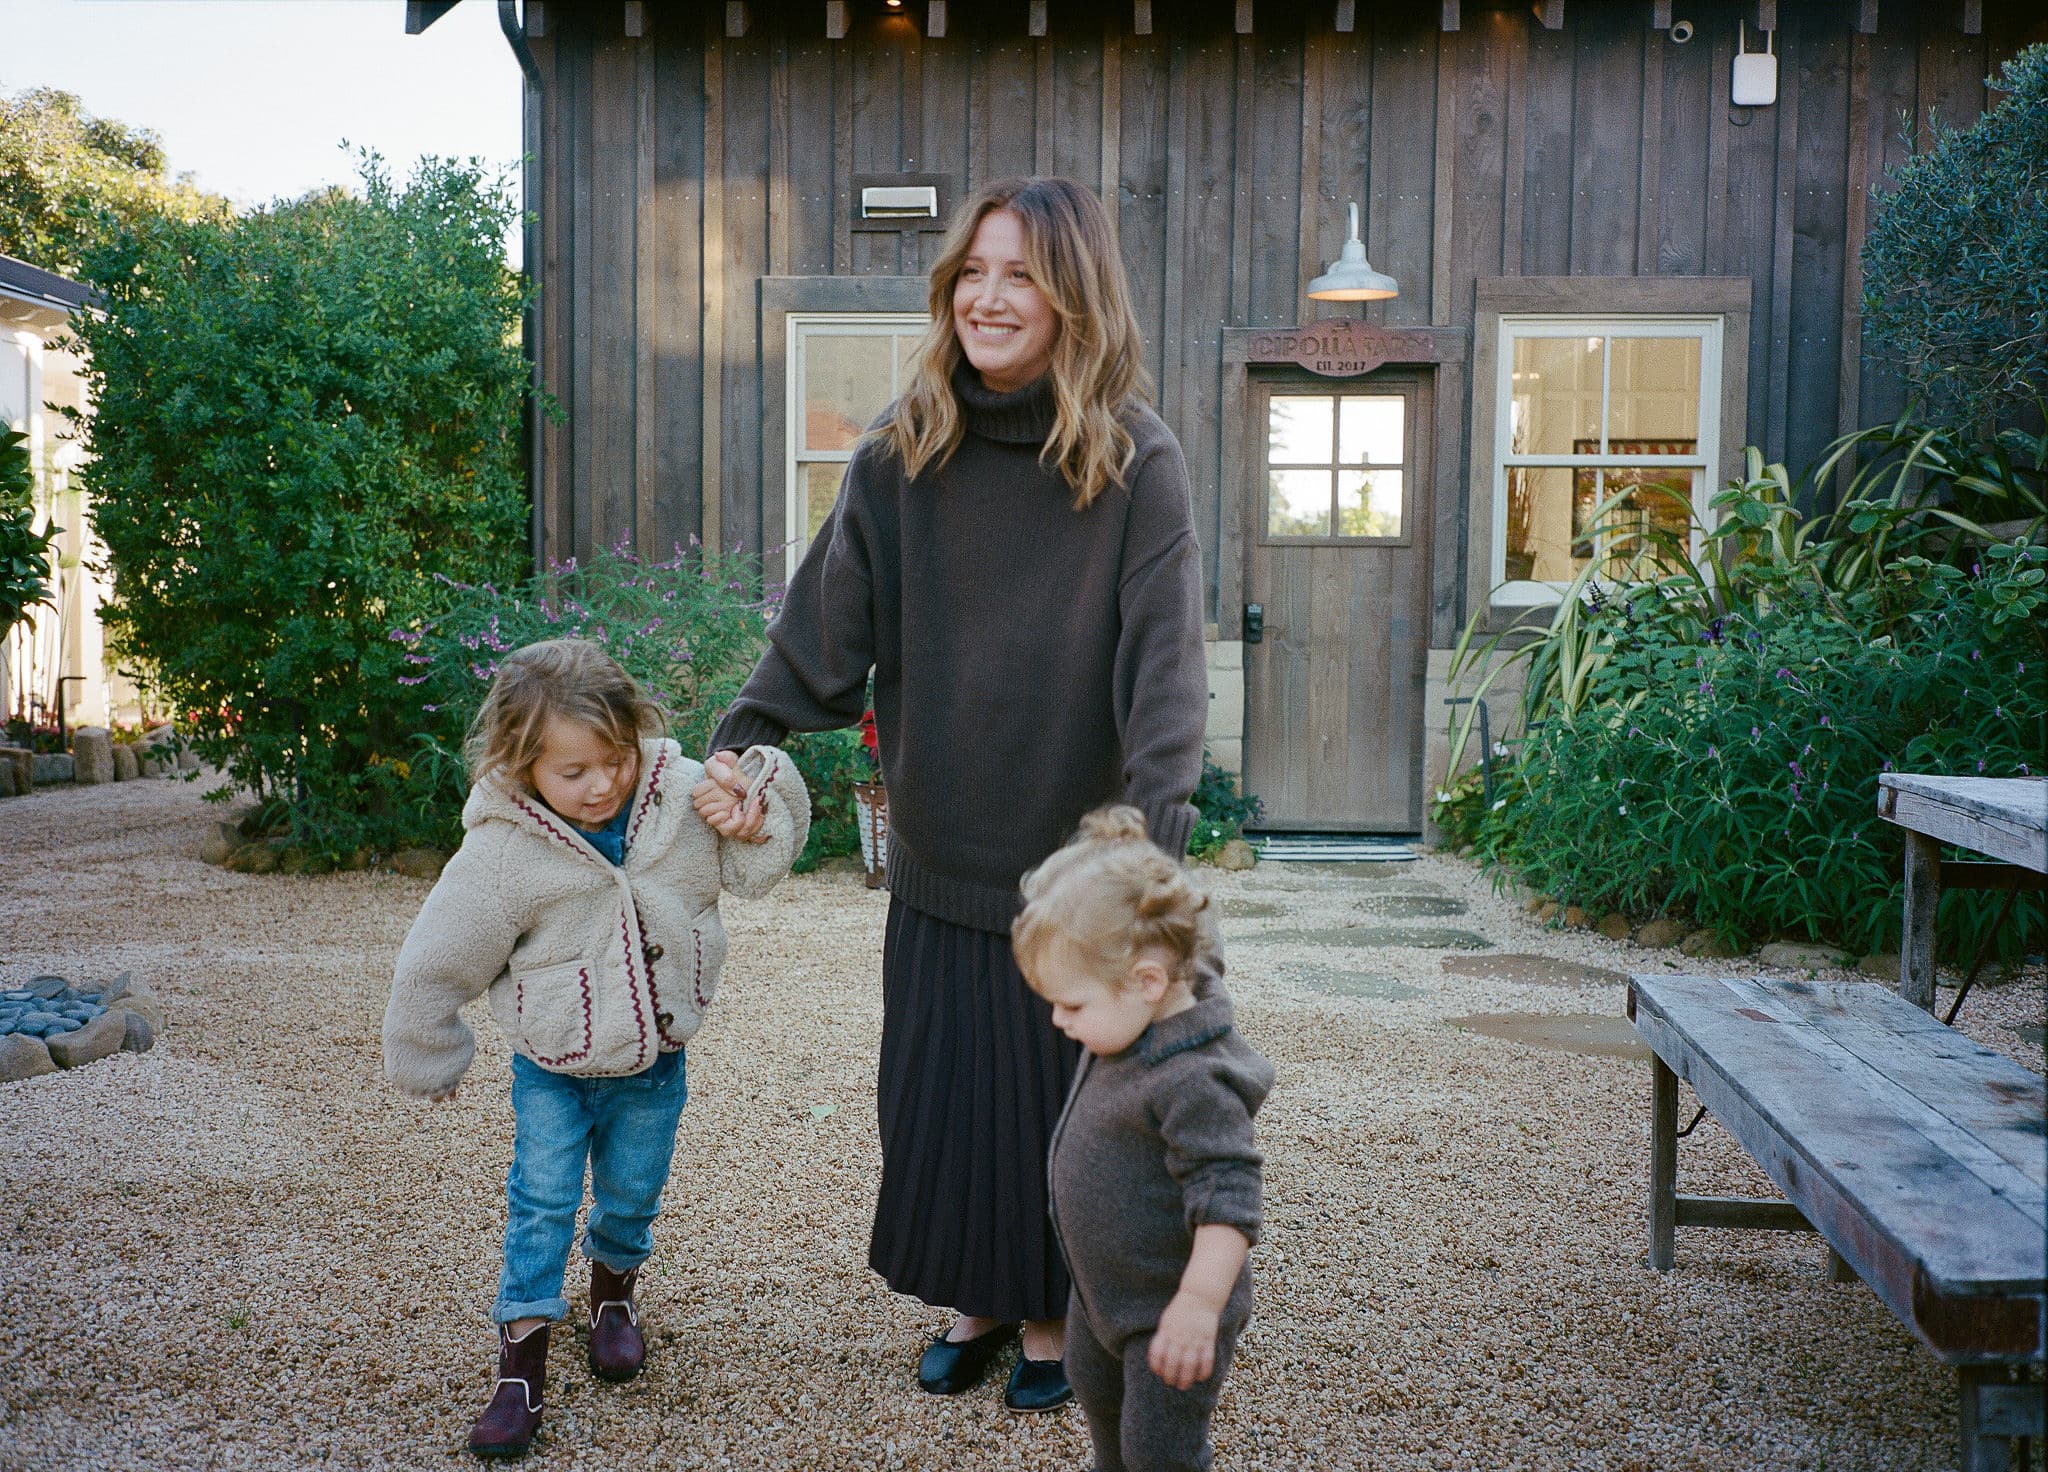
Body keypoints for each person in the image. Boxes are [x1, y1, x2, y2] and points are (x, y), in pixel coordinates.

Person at [697, 175, 1209, 1411]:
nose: (988, 295)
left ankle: (1049, 1313)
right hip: (938, 847)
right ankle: (976, 1300)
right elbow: (821, 631)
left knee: (1060, 1109)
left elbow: (1164, 669)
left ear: (1073, 295)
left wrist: (1156, 841)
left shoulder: (1135, 459)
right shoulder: (901, 450)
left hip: (1071, 864)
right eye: (972, 271)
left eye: (1020, 273)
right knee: (942, 1096)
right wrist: (743, 740)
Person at [382, 638, 809, 1459]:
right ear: (520, 763)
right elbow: (440, 952)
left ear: (635, 736)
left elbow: (756, 869)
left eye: (612, 760)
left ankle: (614, 1295)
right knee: (540, 1202)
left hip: (655, 1063)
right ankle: (522, 1361)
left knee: (632, 1192)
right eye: (571, 772)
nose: (600, 784)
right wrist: (428, 1049)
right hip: (552, 1070)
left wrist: (752, 811)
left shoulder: (682, 798)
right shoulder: (505, 849)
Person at [1013, 806, 1272, 1472]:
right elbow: (1186, 936)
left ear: (1149, 983)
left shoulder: (1194, 1080)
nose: (1057, 1020)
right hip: (1103, 1293)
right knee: (1106, 1418)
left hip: (1167, 1310)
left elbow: (1229, 1203)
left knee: (1159, 1452)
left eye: (1071, 1004)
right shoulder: (1135, 1015)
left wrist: (1198, 1304)